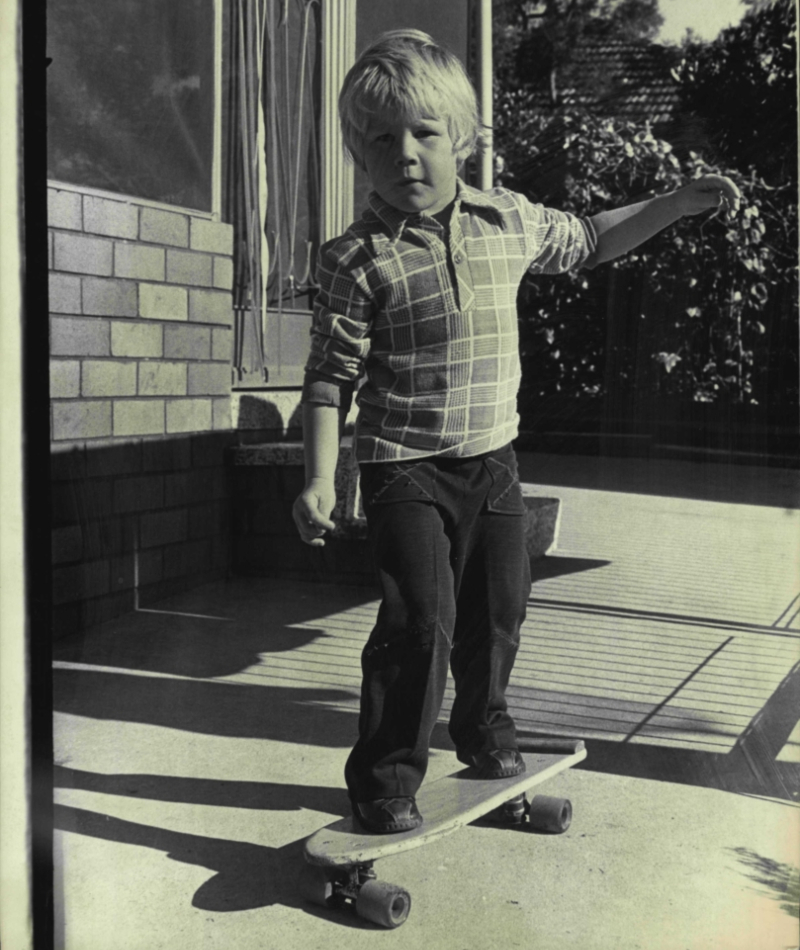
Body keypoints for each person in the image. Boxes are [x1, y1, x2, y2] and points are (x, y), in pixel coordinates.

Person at [292, 29, 741, 834]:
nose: (405, 156)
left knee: (500, 610)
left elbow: (595, 238)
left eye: (425, 134)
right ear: (359, 154)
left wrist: (672, 205)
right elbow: (329, 379)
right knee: (418, 623)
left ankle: (486, 735)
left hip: (493, 463)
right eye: (380, 141)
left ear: (460, 139)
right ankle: (386, 776)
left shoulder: (509, 220)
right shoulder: (354, 259)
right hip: (404, 471)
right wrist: (321, 478)